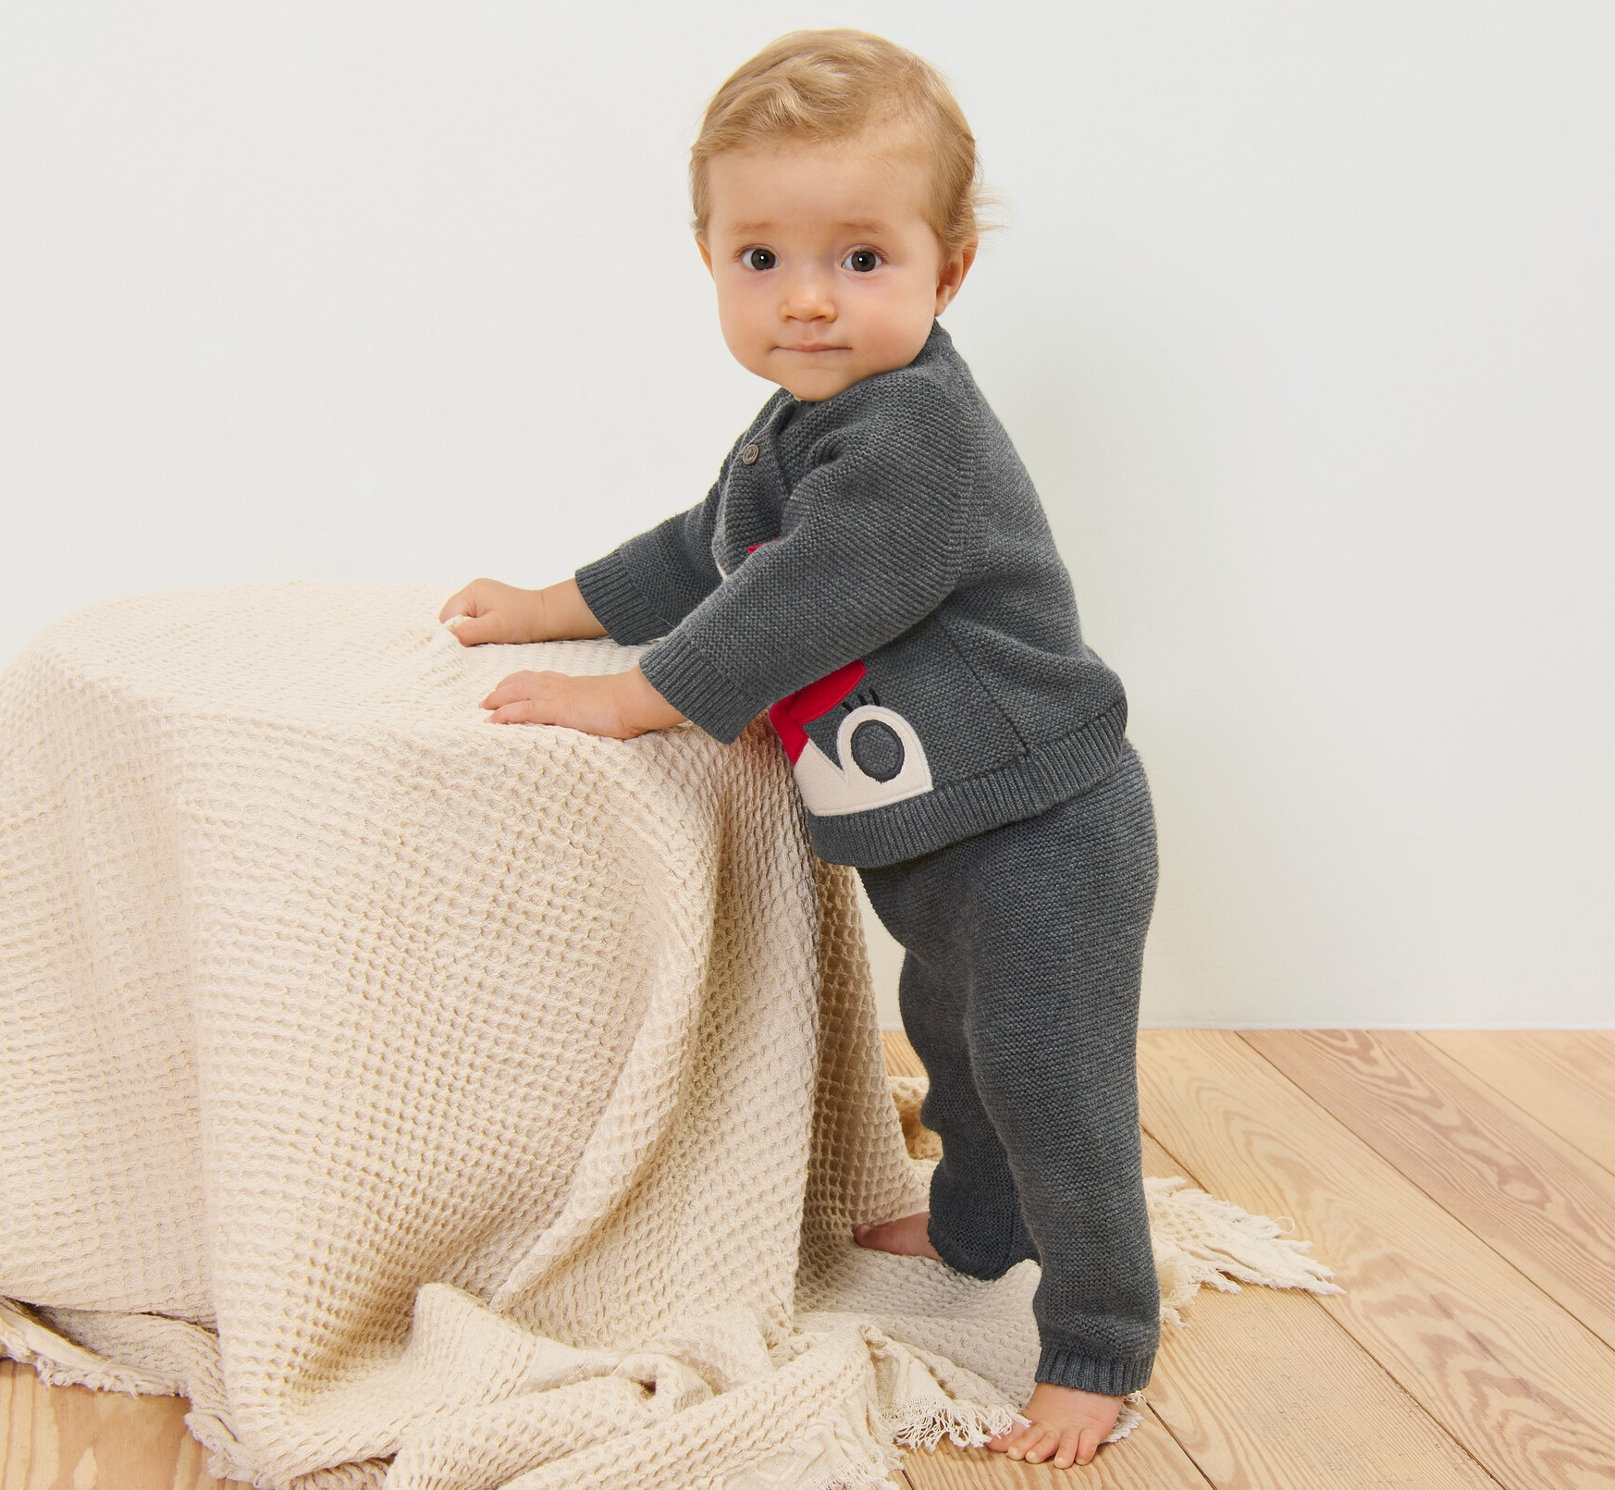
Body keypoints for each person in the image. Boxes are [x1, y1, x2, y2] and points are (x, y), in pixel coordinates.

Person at [439, 28, 1160, 1470]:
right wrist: (546, 604)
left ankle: (1098, 1332)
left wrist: (639, 695)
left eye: (861, 259)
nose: (809, 301)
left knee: (1049, 1076)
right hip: (944, 835)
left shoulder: (916, 443)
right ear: (707, 257)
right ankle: (973, 1224)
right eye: (760, 259)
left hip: (1044, 823)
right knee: (957, 1045)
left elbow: (796, 594)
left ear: (946, 271)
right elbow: (703, 552)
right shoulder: (798, 426)